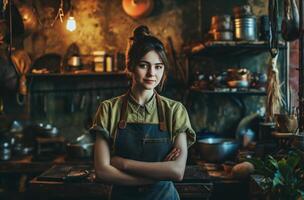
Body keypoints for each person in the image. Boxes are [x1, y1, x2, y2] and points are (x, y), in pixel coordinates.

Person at [91, 25, 196, 200]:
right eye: (143, 65)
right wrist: (156, 173)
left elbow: (177, 171)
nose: (151, 74)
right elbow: (102, 172)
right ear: (130, 66)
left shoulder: (175, 111)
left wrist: (123, 163)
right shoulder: (108, 109)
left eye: (158, 67)